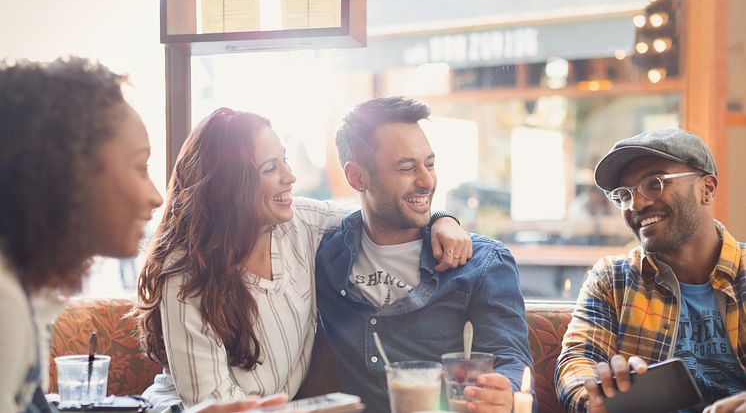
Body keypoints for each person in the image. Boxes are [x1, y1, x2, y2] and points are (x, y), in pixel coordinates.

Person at [134, 107, 471, 412]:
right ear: (229, 186)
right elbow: (214, 407)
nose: (289, 176)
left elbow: (383, 211)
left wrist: (442, 219)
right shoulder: (187, 272)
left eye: (285, 160)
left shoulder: (302, 224)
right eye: (270, 168)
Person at [0, 57, 282, 413]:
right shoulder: (4, 301)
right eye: (140, 166)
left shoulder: (26, 290)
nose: (156, 195)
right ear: (67, 173)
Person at [315, 97, 535, 413]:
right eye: (406, 168)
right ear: (357, 177)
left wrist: (505, 394)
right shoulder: (325, 254)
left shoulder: (481, 263)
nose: (427, 181)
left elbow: (510, 360)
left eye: (429, 164)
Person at [554, 128, 746, 413]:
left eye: (654, 183)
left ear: (707, 189)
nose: (637, 204)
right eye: (623, 194)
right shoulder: (613, 279)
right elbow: (577, 362)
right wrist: (596, 399)